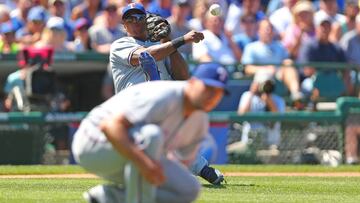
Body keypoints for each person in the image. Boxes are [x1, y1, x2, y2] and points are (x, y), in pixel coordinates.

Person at [72, 63, 228, 203]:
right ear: (193, 82)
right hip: (93, 144)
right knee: (151, 135)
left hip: (129, 150)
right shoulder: (165, 95)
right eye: (208, 88)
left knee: (188, 189)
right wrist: (145, 163)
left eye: (219, 92)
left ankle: (109, 197)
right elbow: (110, 126)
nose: (212, 96)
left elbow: (182, 163)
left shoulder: (200, 120)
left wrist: (155, 167)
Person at [110, 2, 224, 185]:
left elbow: (182, 76)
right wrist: (180, 40)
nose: (136, 22)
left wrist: (167, 39)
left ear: (146, 21)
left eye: (140, 17)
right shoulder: (120, 44)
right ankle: (201, 169)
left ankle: (202, 169)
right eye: (130, 19)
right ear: (124, 25)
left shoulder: (163, 46)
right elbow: (147, 55)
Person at [242, 19, 303, 103]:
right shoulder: (251, 47)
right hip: (261, 80)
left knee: (288, 63)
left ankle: (295, 94)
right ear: (259, 31)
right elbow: (247, 68)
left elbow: (288, 60)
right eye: (266, 29)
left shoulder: (280, 46)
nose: (268, 31)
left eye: (270, 29)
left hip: (279, 78)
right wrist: (266, 69)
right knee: (264, 76)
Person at [236, 72, 285, 148]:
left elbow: (277, 120)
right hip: (250, 142)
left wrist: (269, 101)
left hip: (271, 144)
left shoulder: (278, 100)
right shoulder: (247, 96)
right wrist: (252, 93)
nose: (265, 86)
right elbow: (241, 115)